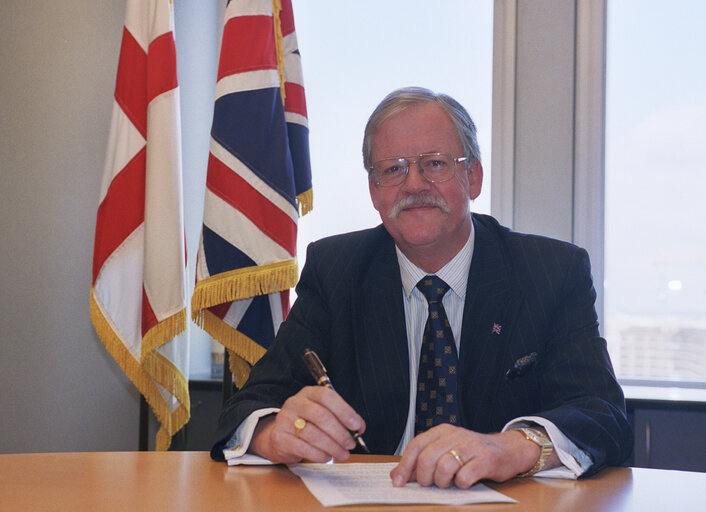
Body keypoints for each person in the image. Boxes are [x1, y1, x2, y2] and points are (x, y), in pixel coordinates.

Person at [211, 87, 632, 489]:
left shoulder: (550, 272)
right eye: (393, 169)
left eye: (434, 163)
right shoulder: (336, 270)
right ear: (374, 191)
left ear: (473, 177)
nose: (413, 185)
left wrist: (512, 448)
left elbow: (602, 415)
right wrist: (273, 431)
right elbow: (246, 409)